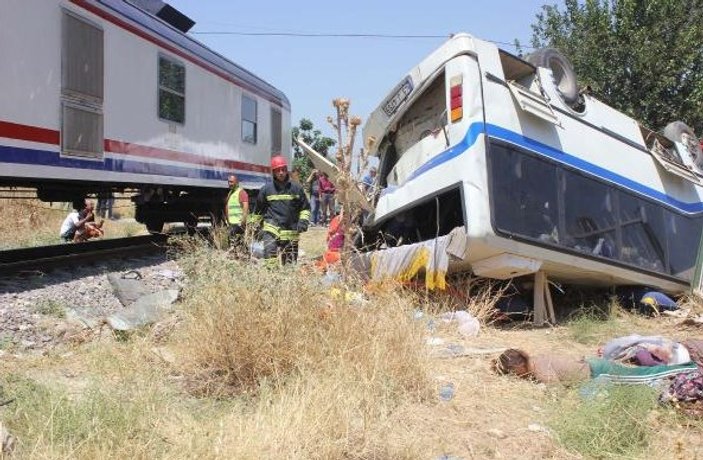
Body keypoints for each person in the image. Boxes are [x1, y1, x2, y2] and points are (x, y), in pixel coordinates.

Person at [494, 348, 698, 385]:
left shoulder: (538, 370)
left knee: (642, 376)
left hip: (598, 371)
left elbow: (555, 389)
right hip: (594, 364)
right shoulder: (537, 360)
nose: (515, 377)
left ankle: (688, 368)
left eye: (513, 373)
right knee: (639, 374)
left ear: (519, 366)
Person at [254, 155, 311, 266]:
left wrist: (303, 222)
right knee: (270, 258)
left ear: (286, 171)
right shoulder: (266, 190)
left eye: (283, 170)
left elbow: (305, 208)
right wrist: (254, 226)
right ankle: (272, 279)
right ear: (273, 172)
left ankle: (286, 281)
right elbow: (258, 211)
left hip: (291, 231)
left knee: (289, 265)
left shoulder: (297, 189)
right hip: (271, 229)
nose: (281, 173)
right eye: (278, 170)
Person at [225, 174, 249, 253]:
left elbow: (245, 207)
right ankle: (234, 258)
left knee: (238, 244)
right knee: (232, 244)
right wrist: (227, 219)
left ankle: (241, 259)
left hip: (239, 223)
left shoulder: (241, 192)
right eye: (229, 182)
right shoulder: (230, 193)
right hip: (232, 223)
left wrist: (243, 220)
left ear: (237, 182)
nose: (230, 184)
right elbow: (228, 206)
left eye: (231, 182)